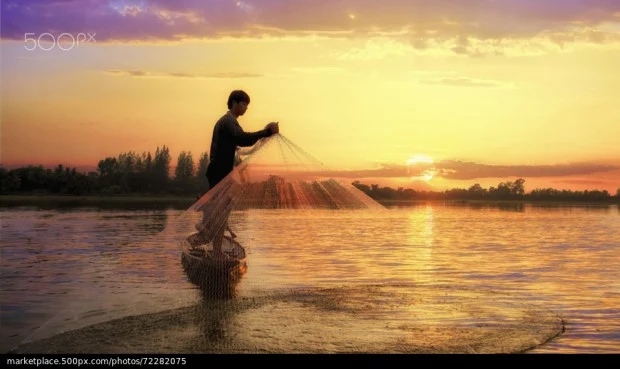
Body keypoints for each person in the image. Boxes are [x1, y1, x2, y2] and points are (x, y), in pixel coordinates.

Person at [204, 90, 279, 260]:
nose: (246, 108)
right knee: (220, 211)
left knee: (223, 211)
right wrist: (266, 132)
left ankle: (216, 249)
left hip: (222, 172)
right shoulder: (228, 121)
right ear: (235, 103)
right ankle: (215, 248)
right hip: (218, 172)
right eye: (244, 104)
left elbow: (241, 145)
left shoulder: (230, 122)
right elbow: (243, 139)